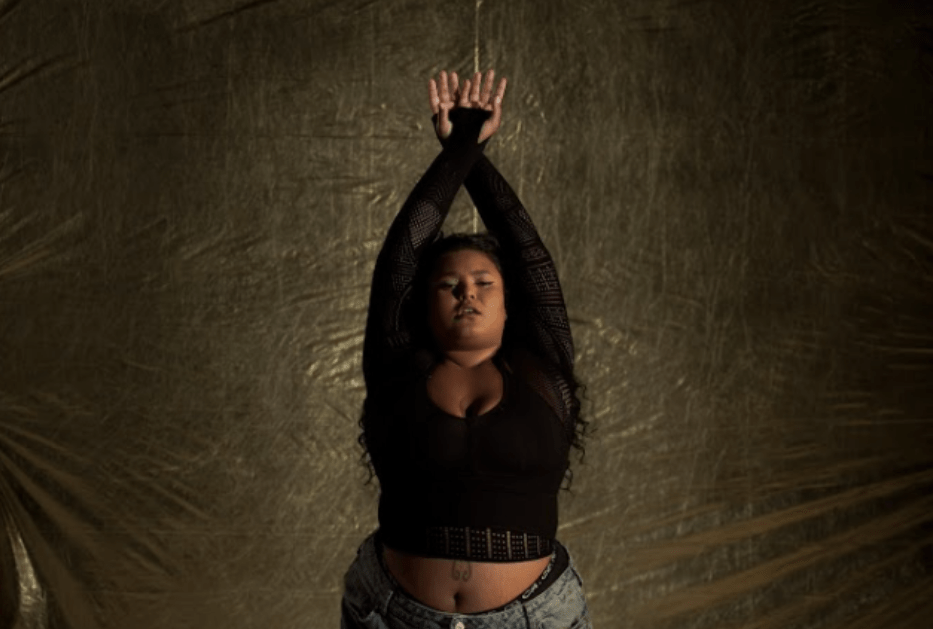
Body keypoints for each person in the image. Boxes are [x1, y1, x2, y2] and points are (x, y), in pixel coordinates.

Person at [341, 69, 593, 629]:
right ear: (422, 305)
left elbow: (528, 252)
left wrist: (469, 144)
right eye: (448, 285)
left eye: (484, 283)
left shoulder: (543, 370)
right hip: (394, 617)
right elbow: (402, 253)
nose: (467, 294)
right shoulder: (397, 370)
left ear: (510, 304)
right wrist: (460, 146)